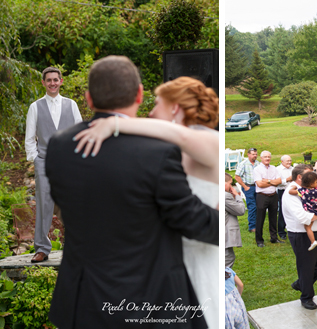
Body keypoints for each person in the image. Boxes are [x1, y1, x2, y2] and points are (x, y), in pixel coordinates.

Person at [46, 56, 218, 327]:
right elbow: (189, 219)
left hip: (83, 303)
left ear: (89, 99)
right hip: (151, 304)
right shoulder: (157, 150)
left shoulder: (59, 146)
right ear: (139, 95)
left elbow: (63, 200)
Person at [25, 66, 83, 263]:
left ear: (61, 81)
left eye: (55, 80)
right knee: (44, 204)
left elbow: (79, 133)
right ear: (43, 83)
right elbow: (30, 137)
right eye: (48, 80)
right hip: (44, 162)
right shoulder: (35, 106)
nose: (52, 83)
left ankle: (77, 246)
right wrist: (35, 158)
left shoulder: (71, 105)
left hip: (68, 162)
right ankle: (42, 248)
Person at [283, 164, 317, 310]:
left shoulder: (309, 188)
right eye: (309, 175)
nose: (313, 178)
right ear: (299, 177)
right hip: (302, 235)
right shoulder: (291, 194)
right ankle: (306, 297)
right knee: (306, 267)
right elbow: (303, 217)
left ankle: (301, 283)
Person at [289, 171, 317, 250]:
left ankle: (313, 241)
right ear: (312, 184)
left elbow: (290, 192)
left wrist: (294, 187)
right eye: (316, 182)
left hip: (310, 210)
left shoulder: (302, 191)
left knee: (308, 227)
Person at [254, 151, 283, 247]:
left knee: (273, 217)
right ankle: (259, 240)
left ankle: (274, 238)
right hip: (262, 196)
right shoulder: (257, 169)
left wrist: (268, 181)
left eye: (269, 157)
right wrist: (272, 182)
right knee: (260, 218)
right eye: (265, 157)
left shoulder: (274, 168)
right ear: (261, 158)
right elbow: (260, 184)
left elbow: (279, 181)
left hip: (273, 195)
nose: (267, 158)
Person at [236, 148, 259, 232]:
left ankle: (258, 224)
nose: (255, 156)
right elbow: (237, 176)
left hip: (258, 186)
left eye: (256, 154)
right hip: (248, 187)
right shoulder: (243, 164)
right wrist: (245, 187)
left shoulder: (258, 164)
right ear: (248, 154)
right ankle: (252, 227)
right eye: (253, 154)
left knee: (258, 206)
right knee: (252, 206)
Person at [226, 173, 246, 268]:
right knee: (228, 259)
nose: (231, 186)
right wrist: (237, 196)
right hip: (224, 236)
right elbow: (241, 210)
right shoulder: (225, 196)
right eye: (230, 183)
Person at [277, 155, 294, 240]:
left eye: (290, 160)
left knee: (292, 210)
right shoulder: (278, 170)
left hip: (292, 191)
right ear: (282, 161)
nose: (289, 162)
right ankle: (281, 232)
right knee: (282, 211)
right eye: (287, 161)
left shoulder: (292, 169)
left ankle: (291, 228)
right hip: (282, 191)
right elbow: (277, 182)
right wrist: (287, 179)